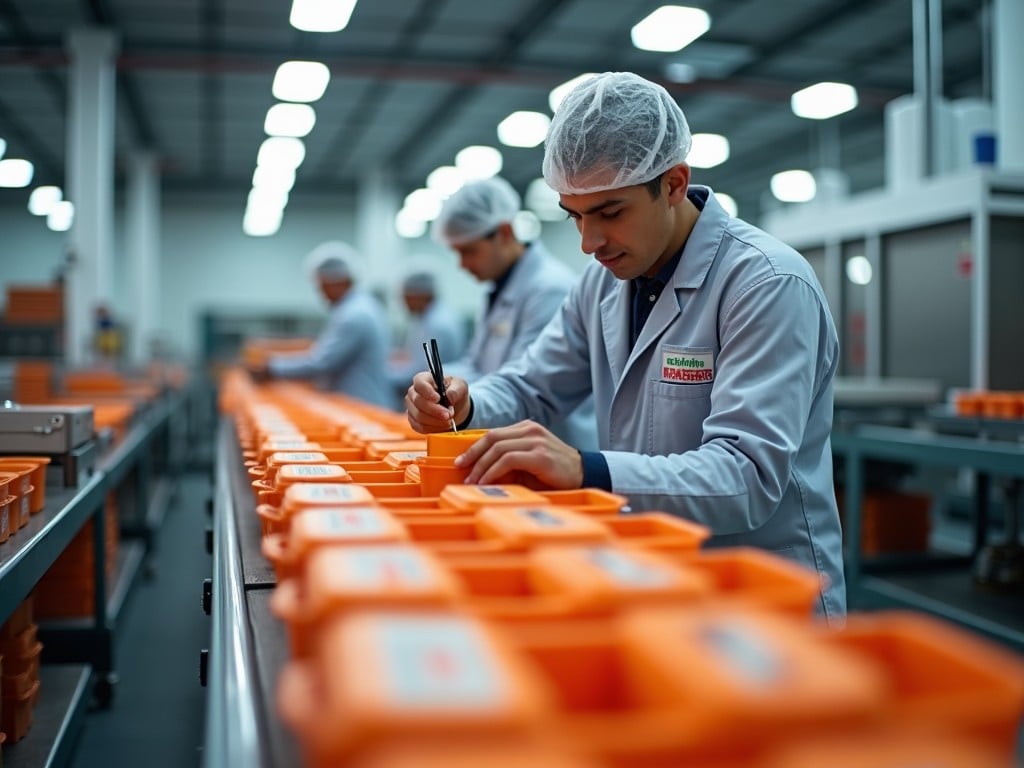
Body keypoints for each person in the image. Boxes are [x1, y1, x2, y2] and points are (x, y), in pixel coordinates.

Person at [407, 72, 845, 620]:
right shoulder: (602, 283)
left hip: (758, 594)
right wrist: (465, 402)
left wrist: (588, 470)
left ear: (674, 184)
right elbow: (534, 384)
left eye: (610, 213)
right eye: (575, 217)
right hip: (646, 577)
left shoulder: (765, 284)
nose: (589, 243)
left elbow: (746, 478)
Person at [431, 176, 598, 451]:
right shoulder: (497, 290)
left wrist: (461, 400)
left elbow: (527, 384)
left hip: (557, 447)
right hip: (512, 443)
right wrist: (438, 382)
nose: (462, 265)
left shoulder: (550, 289)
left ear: (505, 233)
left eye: (469, 251)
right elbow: (477, 364)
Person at [251, 241, 394, 409]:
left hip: (362, 404)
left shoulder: (355, 315)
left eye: (323, 287)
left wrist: (272, 367)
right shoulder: (363, 306)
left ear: (339, 281)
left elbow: (322, 363)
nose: (322, 294)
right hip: (363, 402)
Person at [388, 271, 467, 398]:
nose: (404, 303)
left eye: (407, 297)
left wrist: (384, 375)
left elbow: (422, 372)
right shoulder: (429, 318)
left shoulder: (438, 325)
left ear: (421, 295)